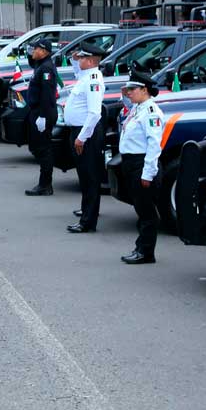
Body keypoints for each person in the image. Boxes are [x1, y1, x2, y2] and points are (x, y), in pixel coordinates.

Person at [118, 69, 165, 264]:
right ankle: (141, 247)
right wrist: (125, 93)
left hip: (142, 164)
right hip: (131, 163)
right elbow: (127, 103)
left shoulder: (151, 112)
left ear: (144, 90)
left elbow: (154, 145)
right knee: (140, 208)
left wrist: (148, 173)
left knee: (146, 211)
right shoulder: (139, 108)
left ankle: (146, 252)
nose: (129, 93)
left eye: (132, 89)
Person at [63, 42, 108, 233]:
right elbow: (77, 73)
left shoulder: (93, 81)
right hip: (79, 131)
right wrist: (74, 61)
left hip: (86, 133)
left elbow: (94, 113)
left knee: (90, 177)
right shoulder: (86, 76)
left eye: (81, 58)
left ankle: (88, 221)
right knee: (84, 175)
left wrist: (81, 137)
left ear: (90, 61)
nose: (78, 59)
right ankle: (86, 212)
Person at [24, 38, 58, 196]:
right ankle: (44, 183)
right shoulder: (40, 65)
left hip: (43, 112)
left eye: (36, 49)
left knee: (44, 149)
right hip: (37, 111)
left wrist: (43, 116)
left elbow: (47, 95)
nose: (33, 52)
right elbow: (32, 61)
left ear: (44, 51)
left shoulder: (46, 69)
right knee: (38, 147)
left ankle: (45, 185)